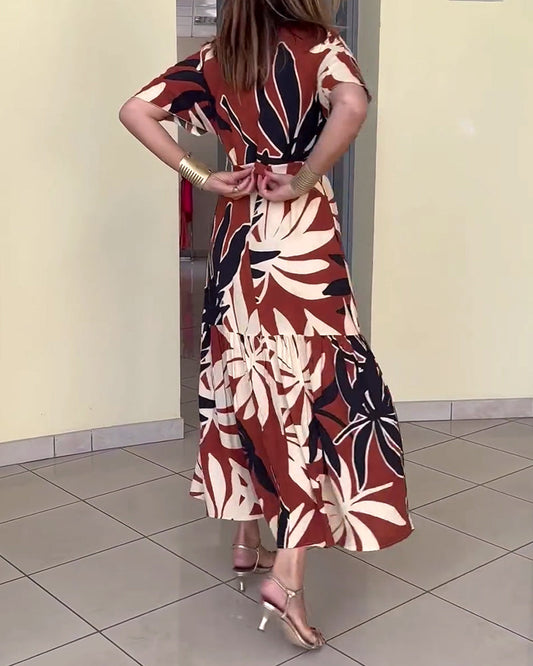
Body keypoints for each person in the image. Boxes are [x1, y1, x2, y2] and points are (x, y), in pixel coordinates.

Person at [120, 0, 413, 651]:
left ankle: (246, 534)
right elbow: (352, 105)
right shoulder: (317, 44)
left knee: (243, 380)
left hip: (236, 235)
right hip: (300, 240)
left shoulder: (216, 57)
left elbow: (135, 110)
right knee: (312, 390)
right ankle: (287, 573)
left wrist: (202, 175)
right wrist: (306, 174)